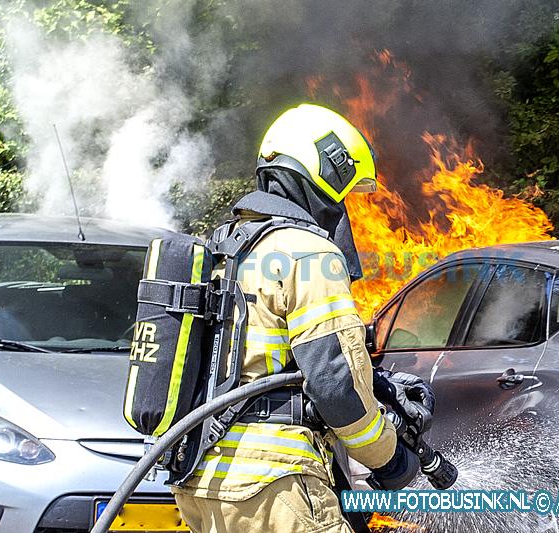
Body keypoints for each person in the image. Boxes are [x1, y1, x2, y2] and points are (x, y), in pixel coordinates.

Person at [171, 104, 422, 532]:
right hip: (274, 484)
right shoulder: (309, 252)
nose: (339, 207)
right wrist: (393, 459)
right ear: (326, 171)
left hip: (201, 480)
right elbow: (335, 386)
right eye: (341, 192)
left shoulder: (224, 247)